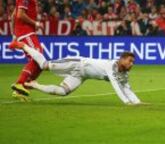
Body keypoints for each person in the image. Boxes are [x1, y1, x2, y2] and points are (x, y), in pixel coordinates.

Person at [9, 41, 142, 105]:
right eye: (130, 61)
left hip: (82, 75)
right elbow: (116, 85)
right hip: (77, 63)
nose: (132, 64)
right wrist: (126, 102)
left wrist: (137, 102)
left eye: (133, 62)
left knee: (63, 92)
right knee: (44, 65)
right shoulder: (111, 66)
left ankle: (34, 85)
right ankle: (23, 46)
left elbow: (126, 88)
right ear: (122, 59)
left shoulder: (124, 74)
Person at [11, 0, 43, 101]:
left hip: (24, 32)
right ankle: (20, 83)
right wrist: (35, 23)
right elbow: (19, 15)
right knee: (37, 56)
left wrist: (14, 34)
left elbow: (13, 15)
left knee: (40, 61)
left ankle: (21, 88)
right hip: (26, 31)